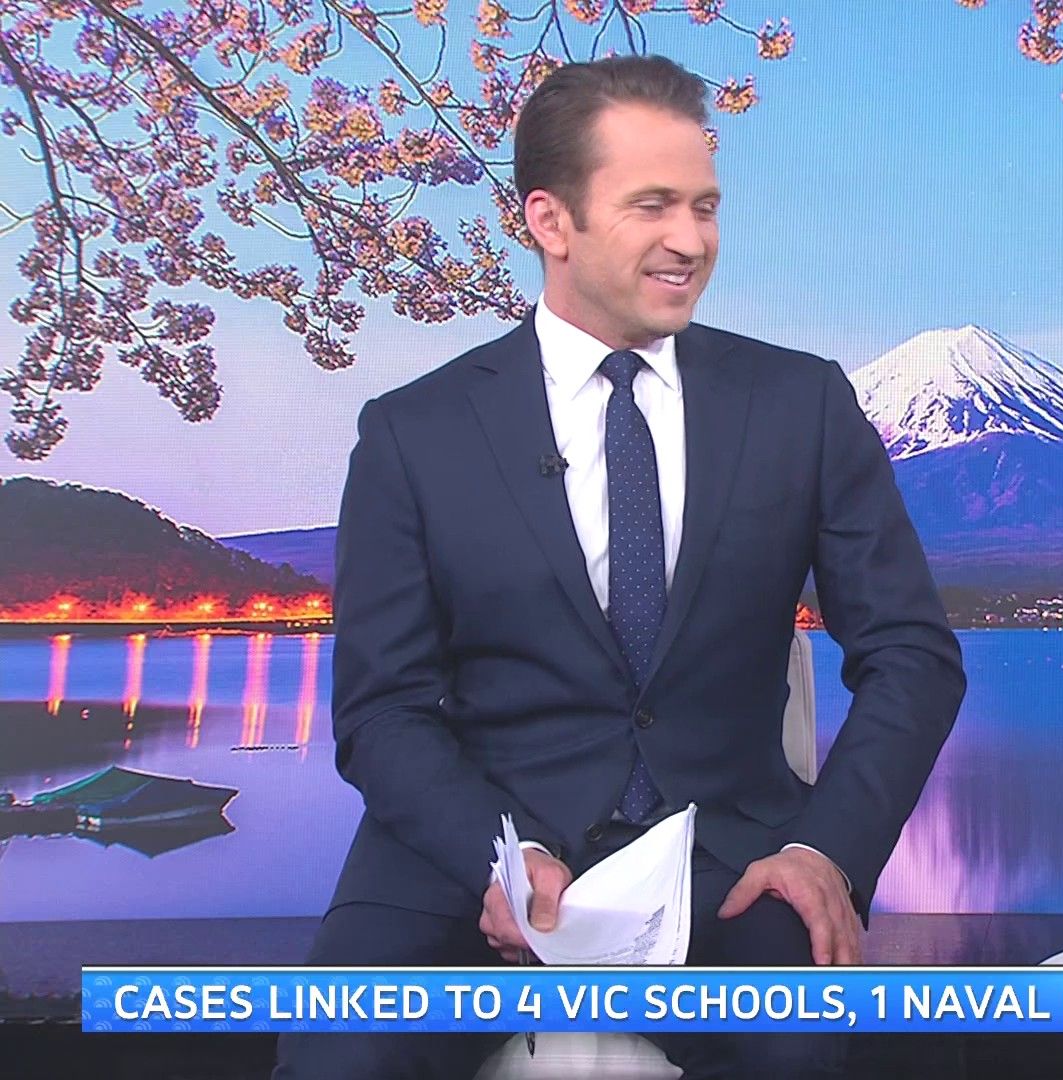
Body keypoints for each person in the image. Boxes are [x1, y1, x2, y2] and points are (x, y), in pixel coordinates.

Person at [275, 54, 965, 1080]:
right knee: (344, 1057)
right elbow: (382, 710)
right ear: (550, 222)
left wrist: (825, 850)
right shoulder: (415, 434)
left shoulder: (801, 405)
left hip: (731, 856)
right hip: (466, 854)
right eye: (653, 206)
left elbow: (913, 655)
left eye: (705, 207)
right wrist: (496, 853)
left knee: (820, 1052)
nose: (692, 240)